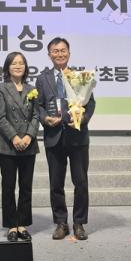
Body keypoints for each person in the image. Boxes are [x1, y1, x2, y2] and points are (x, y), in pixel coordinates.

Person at [36, 37, 95, 241]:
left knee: (81, 182)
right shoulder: (42, 79)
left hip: (78, 137)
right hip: (54, 137)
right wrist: (45, 118)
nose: (59, 54)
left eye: (63, 50)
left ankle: (79, 223)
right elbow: (38, 106)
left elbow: (90, 104)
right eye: (55, 51)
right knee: (56, 183)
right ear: (49, 55)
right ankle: (61, 223)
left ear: (69, 53)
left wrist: (82, 119)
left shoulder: (80, 77)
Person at [0, 51, 40, 242]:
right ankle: (12, 225)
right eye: (14, 63)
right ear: (7, 67)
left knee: (26, 186)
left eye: (21, 63)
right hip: (7, 144)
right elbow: (0, 116)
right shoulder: (0, 88)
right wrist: (14, 137)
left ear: (25, 67)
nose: (18, 66)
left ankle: (23, 224)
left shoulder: (32, 89)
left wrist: (29, 135)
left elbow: (36, 115)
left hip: (28, 143)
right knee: (8, 185)